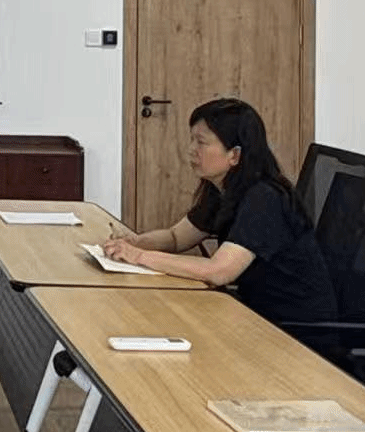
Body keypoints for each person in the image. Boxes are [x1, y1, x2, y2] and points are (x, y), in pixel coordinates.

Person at [104, 98, 339, 344]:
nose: (191, 149)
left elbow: (219, 271)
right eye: (192, 139)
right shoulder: (223, 187)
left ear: (235, 154)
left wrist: (139, 256)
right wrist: (135, 242)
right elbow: (176, 238)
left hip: (297, 336)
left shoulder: (264, 198)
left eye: (201, 142)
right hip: (257, 317)